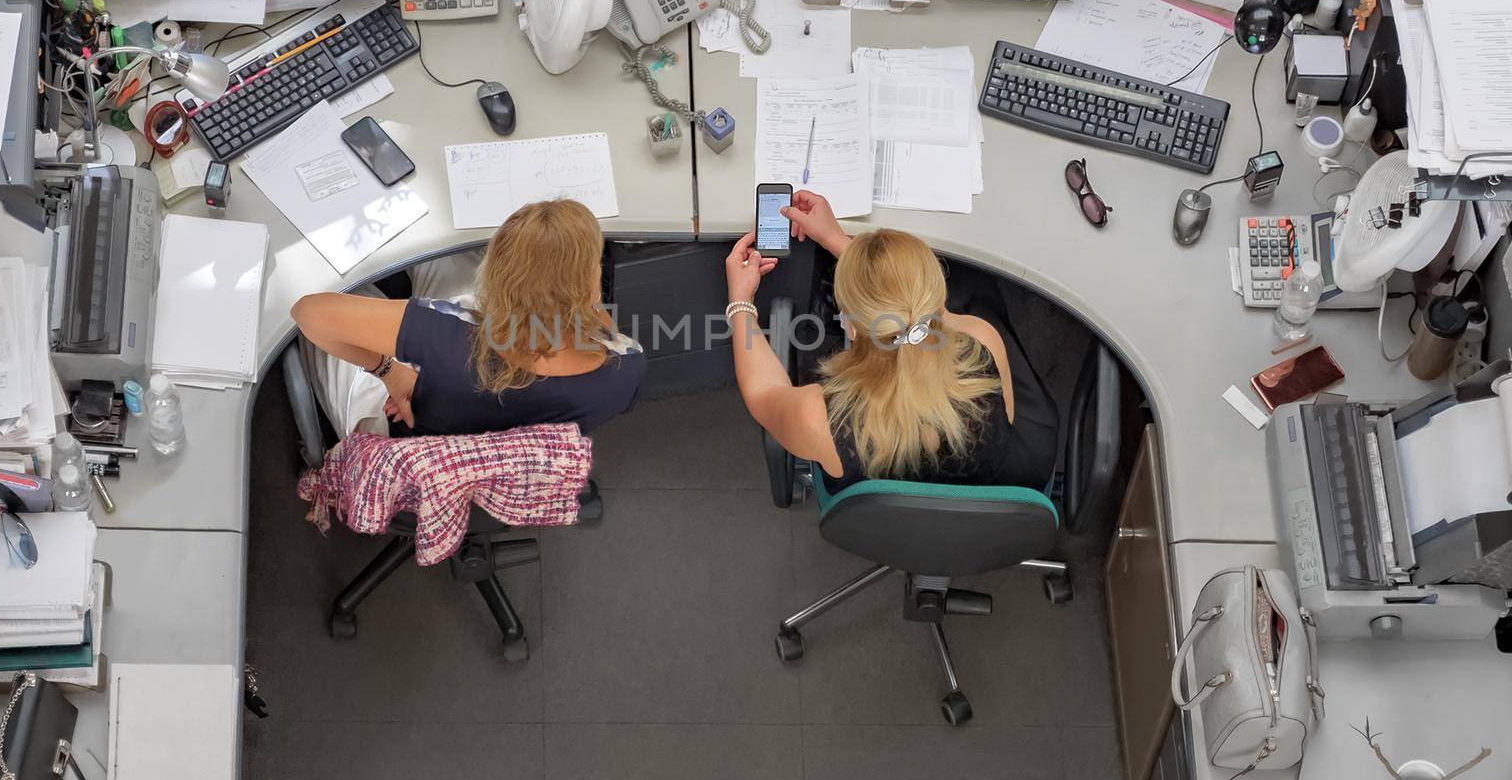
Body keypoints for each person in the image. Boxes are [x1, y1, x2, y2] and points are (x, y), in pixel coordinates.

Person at [724, 191, 1058, 494]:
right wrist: (836, 239)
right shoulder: (981, 339)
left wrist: (741, 302)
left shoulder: (822, 420)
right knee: (982, 294)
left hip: (884, 528)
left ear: (850, 325)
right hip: (996, 506)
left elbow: (763, 393)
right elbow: (924, 312)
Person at [291, 198, 644, 439]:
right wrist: (584, 296)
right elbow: (597, 328)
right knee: (443, 261)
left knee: (322, 284)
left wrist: (390, 372)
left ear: (496, 277)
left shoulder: (444, 336)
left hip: (407, 445)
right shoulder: (627, 368)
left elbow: (308, 314)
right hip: (500, 452)